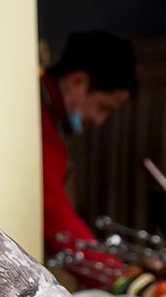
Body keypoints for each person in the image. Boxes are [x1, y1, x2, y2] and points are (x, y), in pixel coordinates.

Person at [40, 31, 137, 255]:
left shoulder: (50, 118)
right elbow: (51, 212)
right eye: (103, 107)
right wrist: (112, 273)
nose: (99, 120)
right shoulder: (38, 120)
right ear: (78, 82)